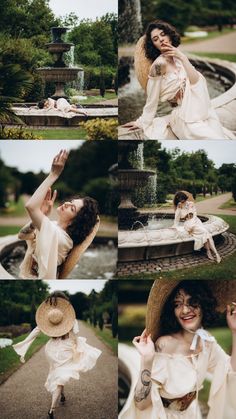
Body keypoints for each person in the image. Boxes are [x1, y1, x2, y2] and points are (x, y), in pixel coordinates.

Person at [120, 279, 236, 418]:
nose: (185, 310)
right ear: (172, 311)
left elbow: (230, 371)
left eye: (192, 302)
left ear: (203, 304)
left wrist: (235, 332)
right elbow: (141, 404)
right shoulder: (165, 344)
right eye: (177, 304)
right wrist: (147, 359)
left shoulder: (207, 342)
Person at [123, 20, 235, 140]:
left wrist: (182, 57)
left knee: (223, 135)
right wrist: (141, 122)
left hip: (200, 109)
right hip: (185, 117)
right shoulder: (159, 65)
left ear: (169, 36)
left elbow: (196, 81)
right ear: (154, 45)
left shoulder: (178, 58)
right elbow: (152, 99)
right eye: (155, 39)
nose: (161, 39)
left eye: (163, 34)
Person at [12, 291, 102, 419]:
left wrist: (24, 343)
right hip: (66, 349)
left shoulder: (49, 317)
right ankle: (52, 408)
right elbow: (76, 332)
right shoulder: (71, 319)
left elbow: (36, 331)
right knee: (62, 374)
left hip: (51, 350)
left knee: (58, 372)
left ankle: (62, 395)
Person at [18, 150, 99, 279]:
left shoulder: (61, 238)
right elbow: (22, 235)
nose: (67, 204)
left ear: (74, 221)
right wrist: (42, 215)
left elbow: (30, 206)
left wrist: (53, 174)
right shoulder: (54, 227)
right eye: (71, 202)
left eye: (72, 208)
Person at [173, 191, 221, 263]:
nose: (182, 201)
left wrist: (192, 223)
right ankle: (215, 254)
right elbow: (177, 218)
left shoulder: (191, 204)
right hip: (188, 224)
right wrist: (174, 226)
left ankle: (211, 252)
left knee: (206, 234)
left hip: (196, 222)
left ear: (185, 198)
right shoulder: (179, 206)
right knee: (206, 233)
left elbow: (194, 214)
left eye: (182, 199)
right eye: (180, 199)